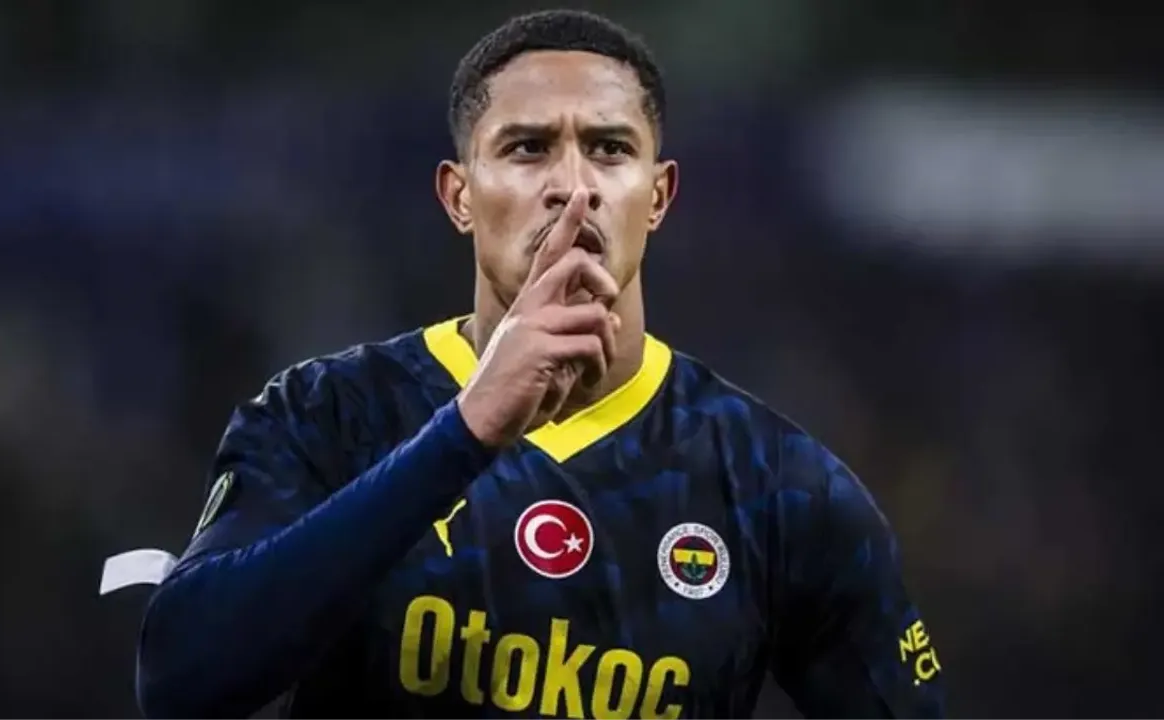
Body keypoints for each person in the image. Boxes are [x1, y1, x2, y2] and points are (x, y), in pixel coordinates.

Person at [135, 9, 946, 719]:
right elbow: (181, 681)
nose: (572, 186)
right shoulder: (328, 415)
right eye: (527, 149)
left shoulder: (781, 487)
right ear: (459, 196)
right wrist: (466, 432)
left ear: (659, 197)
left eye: (609, 149)